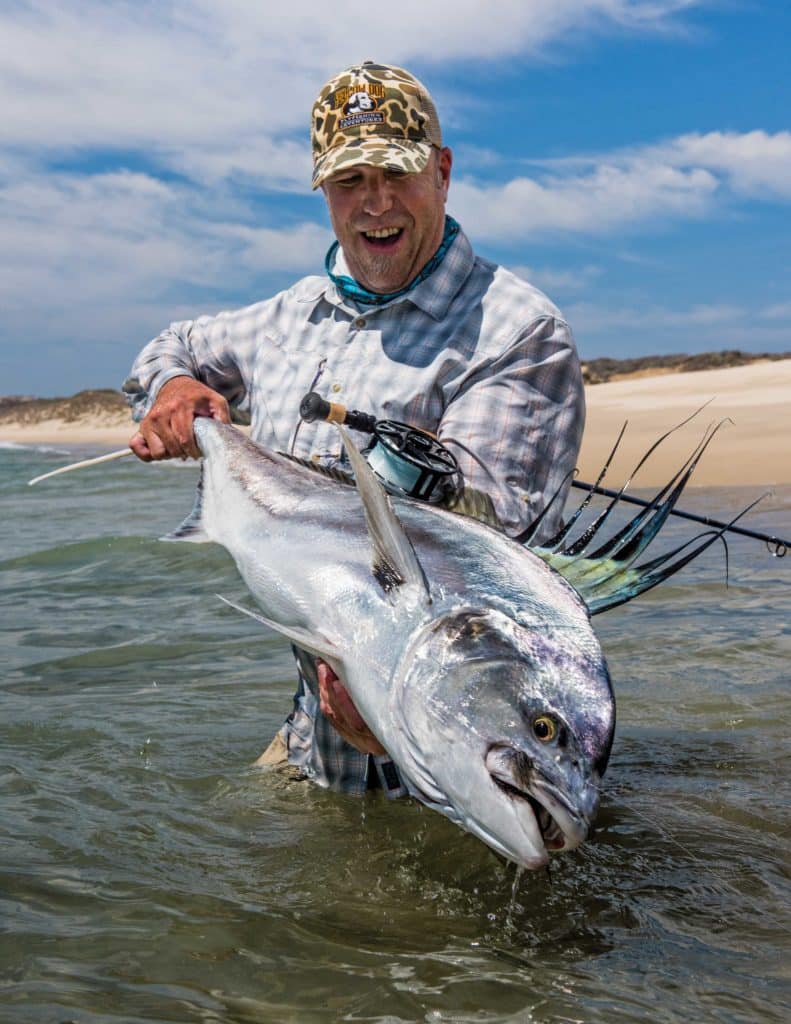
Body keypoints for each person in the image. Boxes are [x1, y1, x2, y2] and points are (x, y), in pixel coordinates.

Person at [123, 60, 585, 798]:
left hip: (458, 738)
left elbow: (484, 566)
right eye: (348, 182)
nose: (374, 204)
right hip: (315, 736)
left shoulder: (515, 331)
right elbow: (169, 347)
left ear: (441, 172)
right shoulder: (285, 317)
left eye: (396, 175)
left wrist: (401, 717)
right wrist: (175, 388)